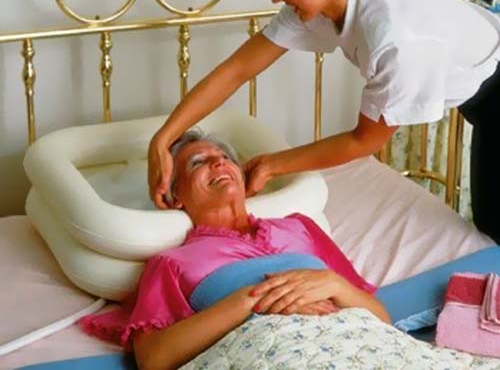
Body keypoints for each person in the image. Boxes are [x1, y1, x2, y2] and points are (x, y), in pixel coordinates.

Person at [148, 0, 500, 242]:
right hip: (484, 96)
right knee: (490, 225)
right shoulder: (324, 0)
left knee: (493, 227)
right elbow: (236, 70)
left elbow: (363, 140)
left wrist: (272, 164)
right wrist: (162, 140)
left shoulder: (394, 38)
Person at [81, 131, 389, 370]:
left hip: (361, 348)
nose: (218, 163)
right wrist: (250, 300)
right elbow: (153, 359)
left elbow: (382, 319)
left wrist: (333, 284)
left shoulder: (300, 227)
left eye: (225, 157)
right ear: (175, 197)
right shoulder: (173, 263)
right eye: (197, 162)